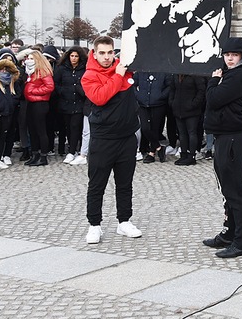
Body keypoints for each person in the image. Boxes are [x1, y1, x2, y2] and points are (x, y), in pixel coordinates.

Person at [82, 35, 143, 244]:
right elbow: (100, 97)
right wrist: (118, 76)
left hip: (126, 137)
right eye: (102, 53)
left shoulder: (125, 69)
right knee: (97, 184)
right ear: (94, 53)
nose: (107, 57)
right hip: (103, 139)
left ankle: (124, 221)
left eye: (110, 52)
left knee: (125, 183)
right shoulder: (89, 76)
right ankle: (94, 225)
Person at [201, 37, 242, 258]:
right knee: (227, 190)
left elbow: (214, 99)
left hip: (234, 137)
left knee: (236, 191)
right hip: (225, 135)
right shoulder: (231, 73)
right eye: (227, 55)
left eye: (234, 55)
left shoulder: (239, 75)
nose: (230, 58)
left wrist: (214, 81)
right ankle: (230, 232)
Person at [54, 47, 88, 164]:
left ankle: (72, 151)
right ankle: (71, 149)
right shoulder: (62, 68)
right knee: (68, 127)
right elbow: (56, 83)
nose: (73, 58)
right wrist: (62, 91)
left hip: (79, 102)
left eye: (76, 56)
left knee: (75, 126)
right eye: (72, 56)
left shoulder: (84, 69)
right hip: (65, 102)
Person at [21, 50, 55, 166]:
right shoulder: (31, 72)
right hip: (31, 103)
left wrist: (34, 91)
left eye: (31, 58)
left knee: (41, 130)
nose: (29, 61)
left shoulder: (43, 71)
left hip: (40, 104)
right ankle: (35, 154)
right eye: (28, 58)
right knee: (32, 130)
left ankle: (43, 156)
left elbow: (49, 87)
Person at [170, 72, 208, 165]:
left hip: (192, 110)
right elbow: (172, 89)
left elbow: (201, 91)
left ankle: (192, 156)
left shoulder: (196, 75)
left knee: (192, 133)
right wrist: (172, 102)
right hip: (178, 109)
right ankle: (183, 155)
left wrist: (193, 104)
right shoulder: (176, 74)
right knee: (182, 133)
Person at [133, 71, 171, 163]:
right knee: (145, 128)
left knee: (155, 129)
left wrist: (161, 96)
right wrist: (138, 96)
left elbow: (169, 86)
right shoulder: (140, 71)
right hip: (143, 103)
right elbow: (133, 84)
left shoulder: (163, 71)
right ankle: (159, 147)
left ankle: (151, 153)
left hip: (158, 104)